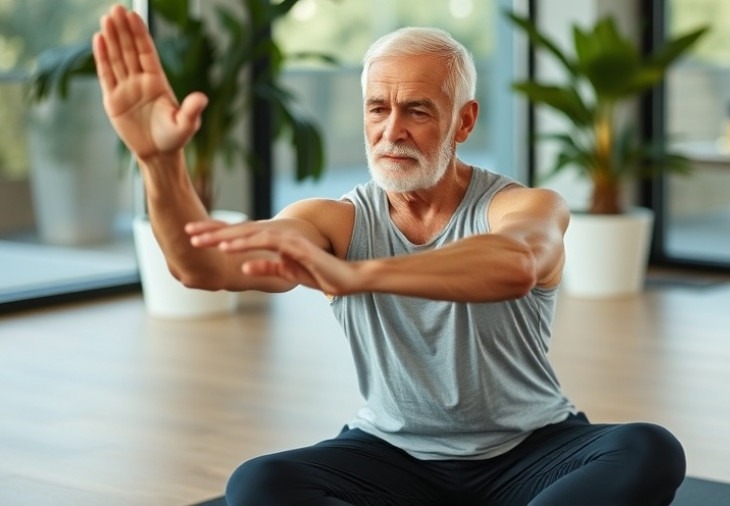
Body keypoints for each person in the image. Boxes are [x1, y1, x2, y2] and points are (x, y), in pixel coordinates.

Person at [93, 5, 686, 505]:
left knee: (649, 449)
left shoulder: (523, 206)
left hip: (531, 449)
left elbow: (515, 264)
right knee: (258, 484)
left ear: (464, 121)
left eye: (417, 110)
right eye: (378, 108)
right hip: (393, 455)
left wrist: (356, 274)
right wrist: (158, 162)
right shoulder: (334, 220)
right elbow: (199, 266)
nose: (391, 130)